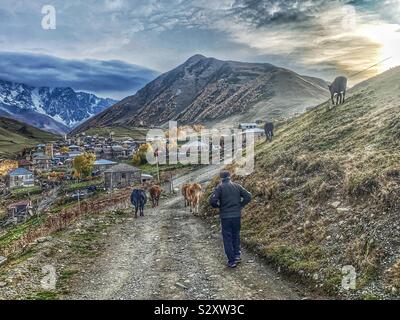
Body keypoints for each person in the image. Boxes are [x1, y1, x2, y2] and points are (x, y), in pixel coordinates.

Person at [209, 170, 252, 268]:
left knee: (227, 238)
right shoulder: (237, 186)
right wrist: (240, 205)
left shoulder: (220, 188)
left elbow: (212, 201)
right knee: (236, 235)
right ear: (230, 176)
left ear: (221, 178)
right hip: (236, 216)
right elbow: (248, 196)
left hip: (225, 217)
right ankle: (237, 255)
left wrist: (219, 206)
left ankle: (232, 261)